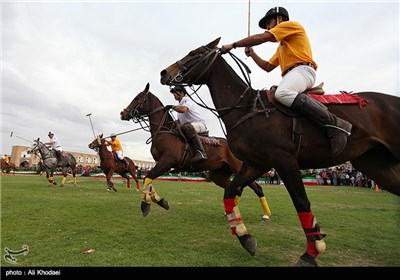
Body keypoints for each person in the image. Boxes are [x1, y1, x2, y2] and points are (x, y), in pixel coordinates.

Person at [220, 6, 352, 157]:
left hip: (303, 71)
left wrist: (233, 45)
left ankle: (335, 123)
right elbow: (268, 67)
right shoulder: (282, 46)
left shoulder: (291, 25)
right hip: (293, 75)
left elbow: (263, 38)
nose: (268, 28)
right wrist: (253, 54)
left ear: (280, 19)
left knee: (282, 93)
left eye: (269, 23)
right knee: (277, 95)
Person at [166, 85, 208, 162]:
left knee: (186, 126)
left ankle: (201, 152)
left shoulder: (187, 100)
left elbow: (183, 110)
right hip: (190, 127)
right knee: (176, 129)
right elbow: (178, 122)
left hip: (200, 124)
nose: (173, 95)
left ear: (181, 92)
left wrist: (172, 106)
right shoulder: (180, 105)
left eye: (175, 92)